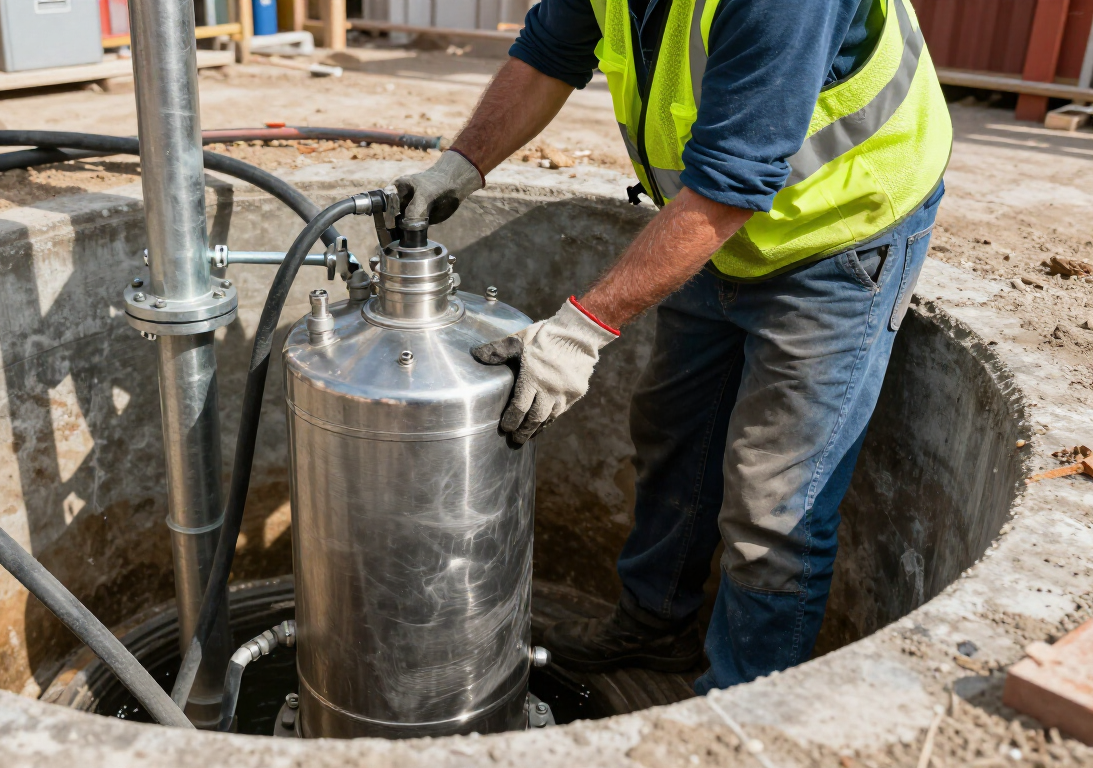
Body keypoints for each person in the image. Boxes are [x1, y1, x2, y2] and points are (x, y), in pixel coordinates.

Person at [393, 0, 952, 692]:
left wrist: (582, 329)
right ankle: (655, 626)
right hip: (714, 220)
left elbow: (732, 183)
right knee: (675, 437)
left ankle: (740, 706)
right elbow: (549, 53)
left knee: (775, 506)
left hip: (837, 234)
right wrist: (459, 167)